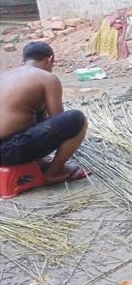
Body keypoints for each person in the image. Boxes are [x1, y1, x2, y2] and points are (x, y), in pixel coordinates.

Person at [0, 42, 89, 184]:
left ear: (23, 60)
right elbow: (58, 121)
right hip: (8, 151)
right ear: (50, 59)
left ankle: (40, 162)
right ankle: (54, 172)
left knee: (36, 112)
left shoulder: (5, 77)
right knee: (76, 119)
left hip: (6, 147)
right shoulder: (47, 78)